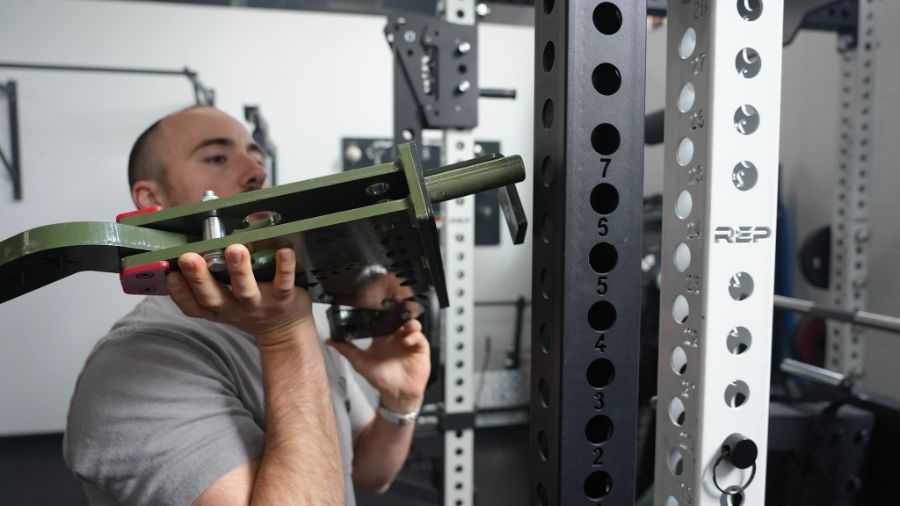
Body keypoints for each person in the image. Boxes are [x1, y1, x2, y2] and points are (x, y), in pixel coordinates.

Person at [63, 106, 431, 505]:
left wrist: (400, 403)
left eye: (257, 157)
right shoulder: (131, 368)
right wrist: (285, 336)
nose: (257, 173)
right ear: (152, 201)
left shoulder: (294, 316)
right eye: (217, 157)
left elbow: (368, 473)